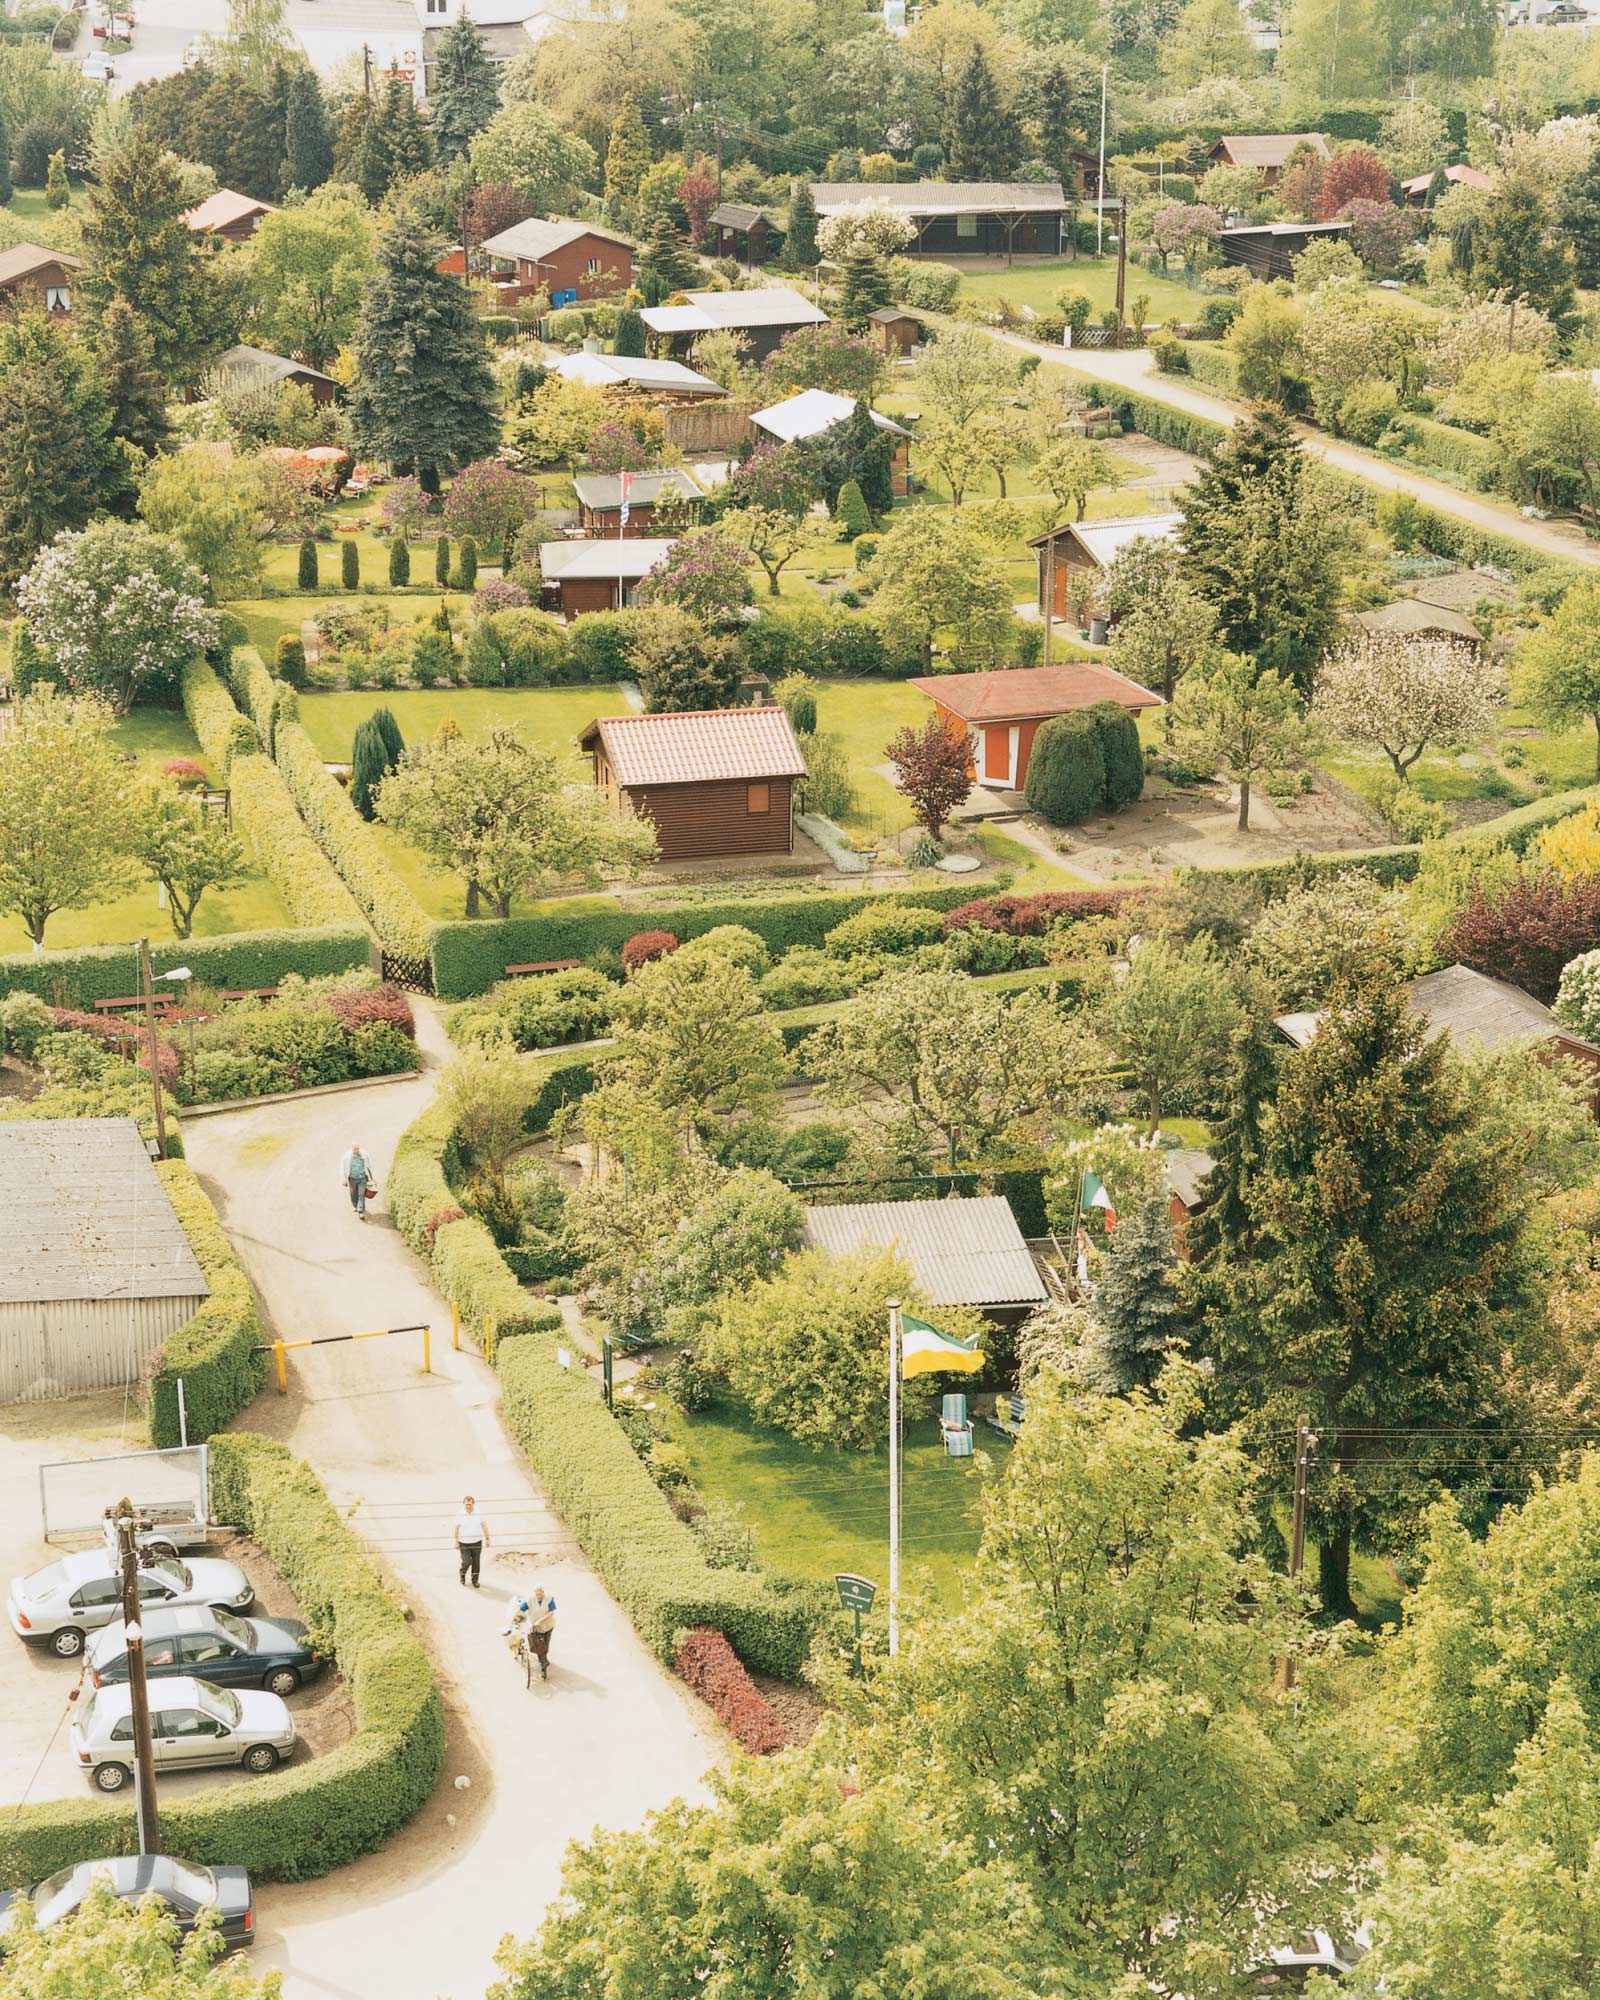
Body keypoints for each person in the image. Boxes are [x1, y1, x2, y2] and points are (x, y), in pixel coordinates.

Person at [454, 1494, 488, 1587]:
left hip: (477, 1541)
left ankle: (475, 1580)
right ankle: (462, 1574)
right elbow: (456, 1528)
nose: (468, 1506)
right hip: (464, 1543)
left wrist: (487, 1538)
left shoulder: (479, 1512)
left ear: (473, 1504)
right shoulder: (459, 1514)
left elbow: (484, 1526)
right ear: (464, 1504)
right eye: (466, 1504)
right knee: (466, 1561)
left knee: (476, 1562)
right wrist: (456, 1541)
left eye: (470, 1504)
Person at [526, 1585, 556, 1680]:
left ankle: (543, 1661)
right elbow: (521, 1609)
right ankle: (544, 1665)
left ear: (543, 1592)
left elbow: (551, 1612)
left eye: (540, 1594)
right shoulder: (530, 1600)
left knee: (545, 1646)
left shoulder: (549, 1599)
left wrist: (540, 1621)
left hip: (548, 1626)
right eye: (537, 1594)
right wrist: (514, 1619)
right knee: (540, 1646)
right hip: (537, 1629)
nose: (539, 1596)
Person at [339, 1142, 373, 1220]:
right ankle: (355, 1205)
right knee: (353, 1194)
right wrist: (343, 1178)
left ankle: (360, 1210)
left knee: (361, 1194)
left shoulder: (364, 1154)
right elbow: (342, 1167)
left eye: (357, 1148)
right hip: (352, 1179)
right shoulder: (347, 1156)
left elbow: (369, 1165)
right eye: (355, 1149)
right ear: (352, 1149)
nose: (356, 1150)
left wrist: (370, 1178)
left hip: (362, 1178)